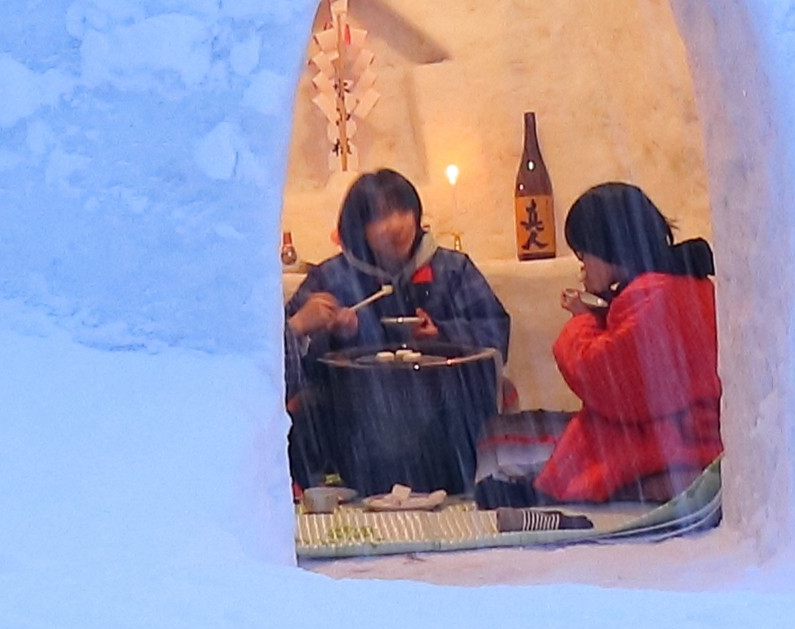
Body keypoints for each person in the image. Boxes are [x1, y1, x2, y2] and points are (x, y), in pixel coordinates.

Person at [287, 170, 511, 496]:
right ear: (357, 230)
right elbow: (287, 358)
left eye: (402, 211)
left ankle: (459, 490)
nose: (395, 225)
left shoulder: (451, 268)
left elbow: (495, 330)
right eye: (379, 217)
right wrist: (332, 334)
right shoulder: (332, 278)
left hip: (442, 408)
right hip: (357, 414)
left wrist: (443, 333)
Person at [537, 180, 723, 511]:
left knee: (596, 436)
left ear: (607, 246)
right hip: (697, 433)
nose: (582, 267)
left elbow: (606, 378)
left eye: (583, 254)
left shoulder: (652, 292)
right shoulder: (682, 279)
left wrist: (582, 320)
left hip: (684, 444)